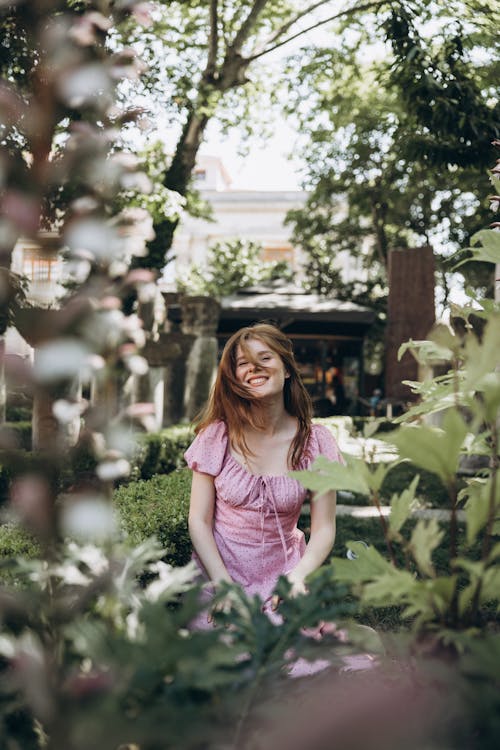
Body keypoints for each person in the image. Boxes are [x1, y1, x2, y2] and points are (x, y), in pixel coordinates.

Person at [184, 323, 343, 624]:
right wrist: (221, 582)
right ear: (234, 379)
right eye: (243, 363)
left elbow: (324, 529)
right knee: (227, 661)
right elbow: (198, 520)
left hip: (284, 575)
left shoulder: (316, 443)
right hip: (220, 574)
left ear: (287, 370)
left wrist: (297, 579)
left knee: (295, 659)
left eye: (265, 358)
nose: (254, 368)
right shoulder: (215, 437)